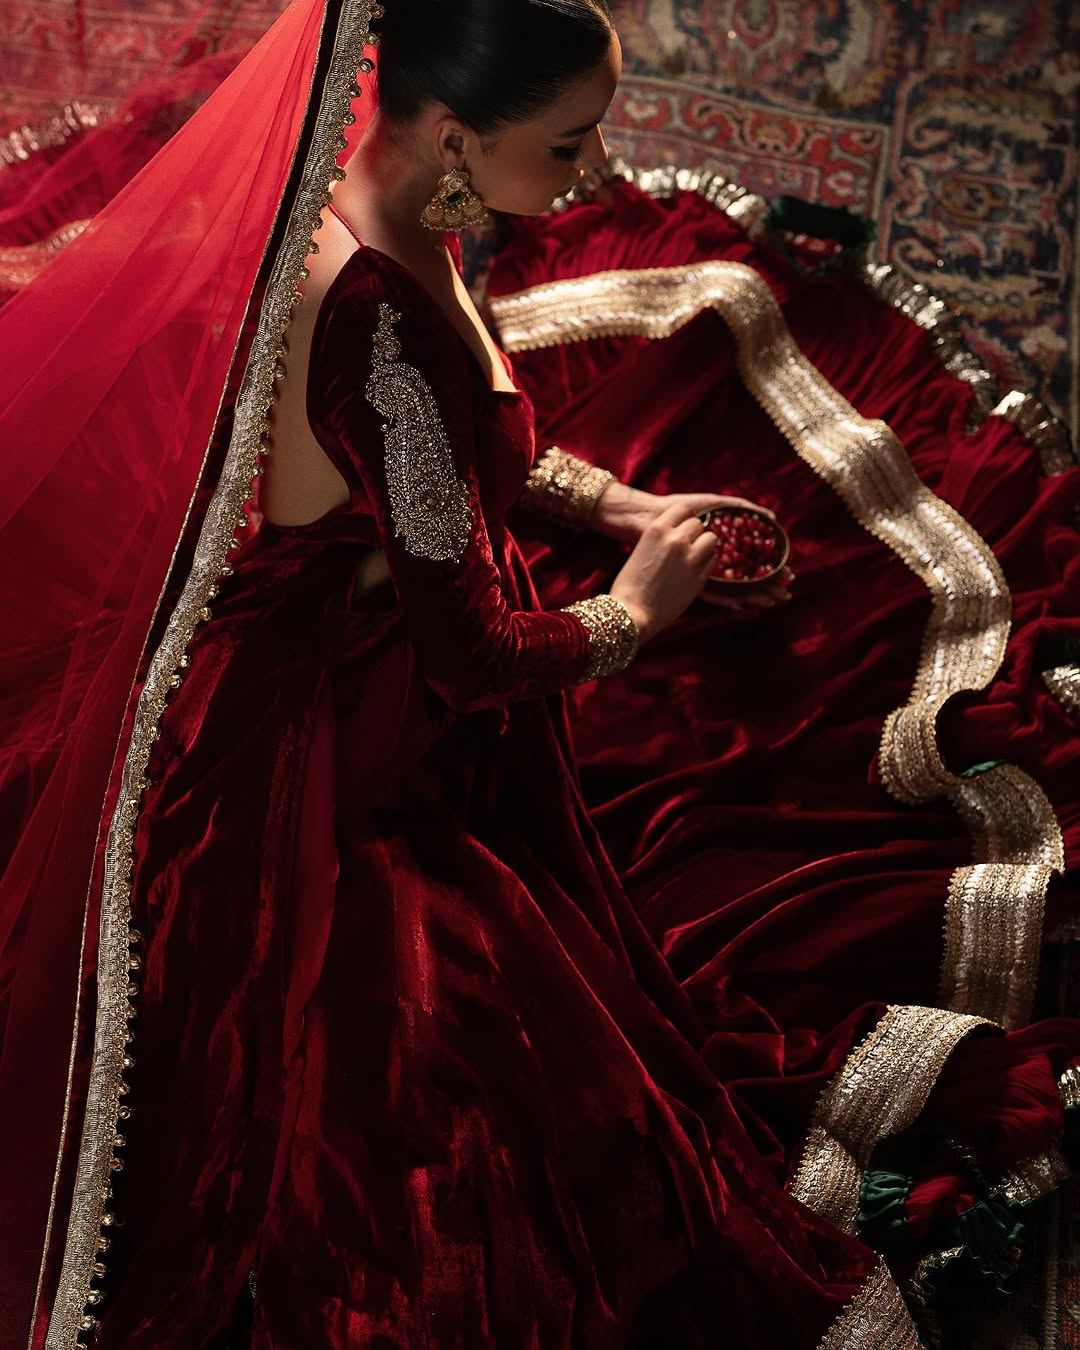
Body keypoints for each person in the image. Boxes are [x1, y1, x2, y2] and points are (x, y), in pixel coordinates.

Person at [0, 1, 1075, 1346]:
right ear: (458, 132)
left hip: (365, 584)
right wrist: (637, 608)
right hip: (336, 734)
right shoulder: (374, 325)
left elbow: (445, 467)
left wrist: (617, 507)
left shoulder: (365, 169)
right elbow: (473, 653)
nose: (591, 173)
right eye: (569, 146)